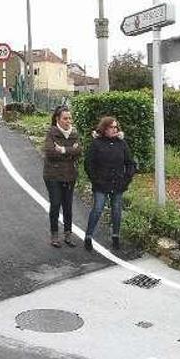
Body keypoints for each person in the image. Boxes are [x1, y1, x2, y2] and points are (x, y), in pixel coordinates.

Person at [84, 116, 136, 251]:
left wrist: (126, 179)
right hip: (101, 184)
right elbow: (89, 164)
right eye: (111, 127)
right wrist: (95, 179)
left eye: (116, 127)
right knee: (98, 209)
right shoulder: (96, 144)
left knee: (117, 210)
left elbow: (130, 163)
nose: (114, 129)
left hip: (118, 183)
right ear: (104, 128)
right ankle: (89, 236)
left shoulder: (122, 144)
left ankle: (115, 236)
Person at [43, 105, 82, 248]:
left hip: (70, 175)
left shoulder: (74, 134)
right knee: (55, 204)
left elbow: (79, 152)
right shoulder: (51, 133)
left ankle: (68, 234)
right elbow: (50, 153)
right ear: (58, 119)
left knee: (68, 206)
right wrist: (71, 152)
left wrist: (64, 150)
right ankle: (54, 235)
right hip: (53, 175)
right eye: (65, 118)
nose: (68, 121)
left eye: (70, 118)